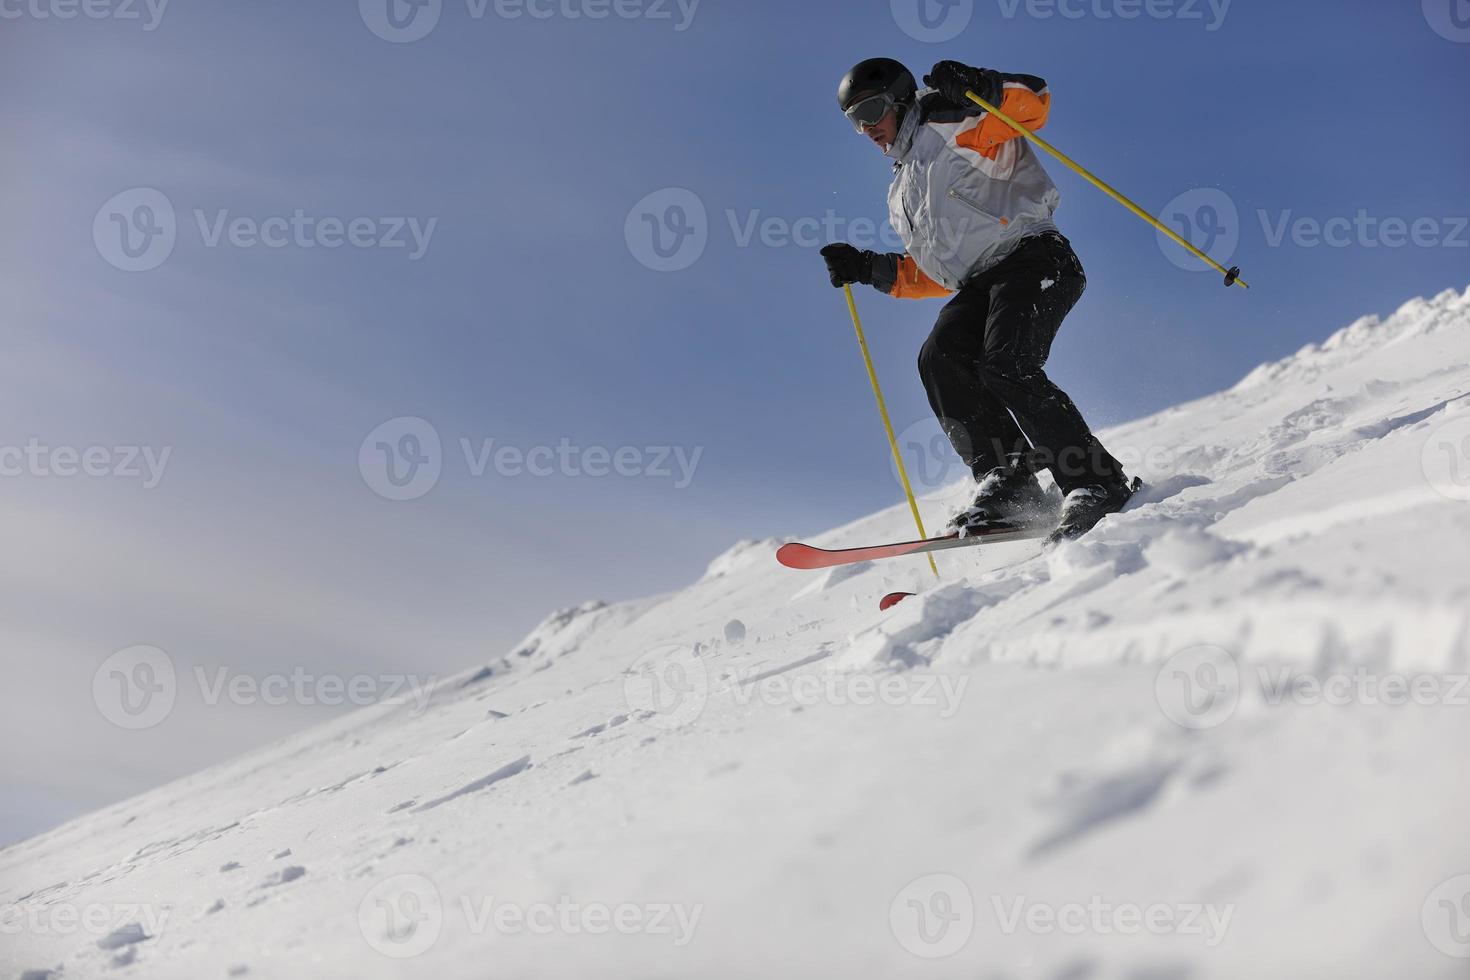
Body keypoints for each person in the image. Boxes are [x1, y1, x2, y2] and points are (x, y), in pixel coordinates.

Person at [821, 57, 1137, 544]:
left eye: (873, 111)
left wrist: (981, 86)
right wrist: (869, 268)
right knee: (940, 357)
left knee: (1005, 361)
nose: (866, 129)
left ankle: (1095, 481)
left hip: (1034, 257)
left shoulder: (950, 119)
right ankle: (1012, 484)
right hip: (979, 281)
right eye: (853, 121)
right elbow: (936, 271)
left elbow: (1034, 106)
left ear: (901, 99)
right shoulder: (902, 188)